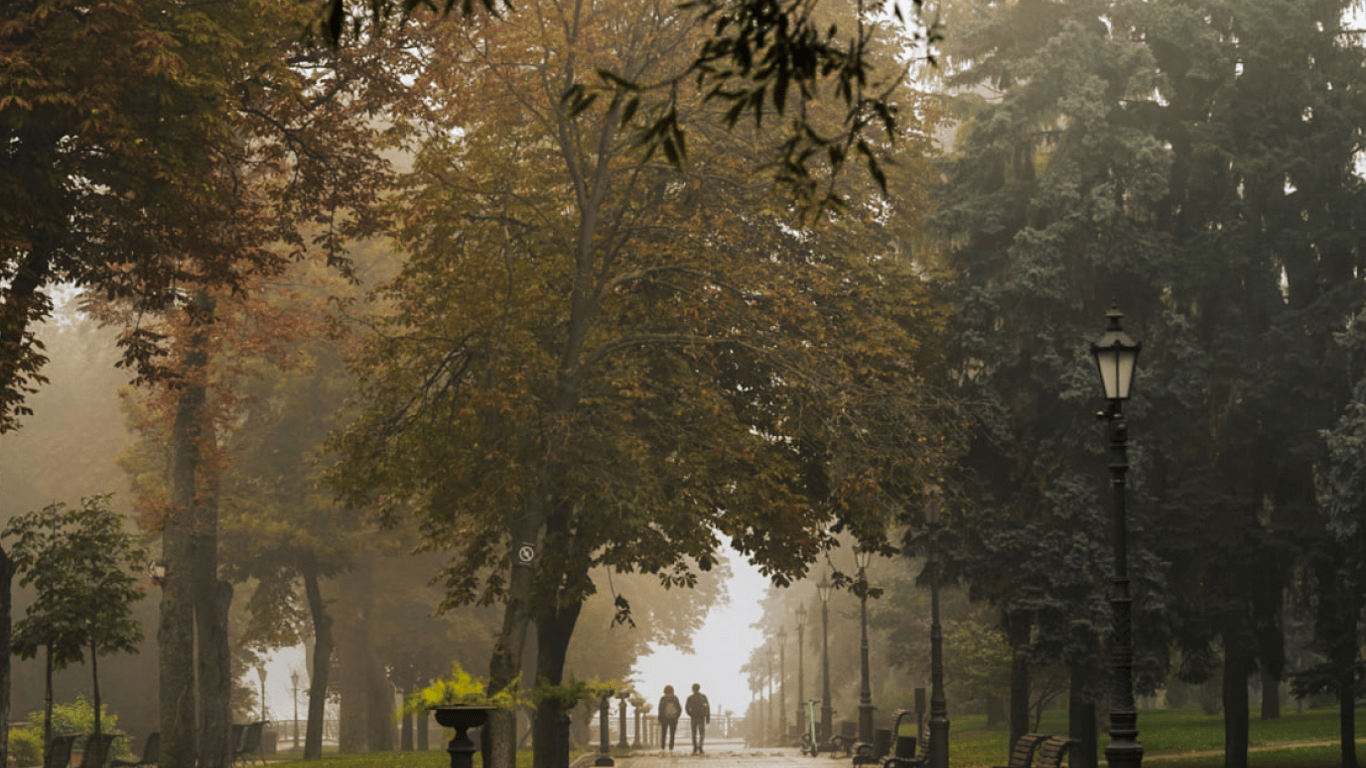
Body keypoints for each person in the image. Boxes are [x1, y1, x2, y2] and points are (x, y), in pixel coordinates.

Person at [685, 683, 710, 754]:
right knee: (702, 732)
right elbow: (707, 708)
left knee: (694, 733)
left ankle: (695, 747)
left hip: (694, 717)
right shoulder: (703, 697)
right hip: (702, 717)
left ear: (692, 689)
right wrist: (707, 717)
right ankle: (700, 745)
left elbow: (686, 708)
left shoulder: (690, 698)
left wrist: (690, 714)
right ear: (699, 689)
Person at [658, 685, 682, 751]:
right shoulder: (667, 699)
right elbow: (660, 709)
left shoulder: (672, 699)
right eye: (667, 693)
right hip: (667, 719)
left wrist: (676, 716)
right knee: (665, 734)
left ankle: (670, 748)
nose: (668, 695)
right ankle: (664, 747)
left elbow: (679, 709)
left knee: (670, 734)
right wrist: (660, 719)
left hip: (671, 719)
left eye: (669, 693)